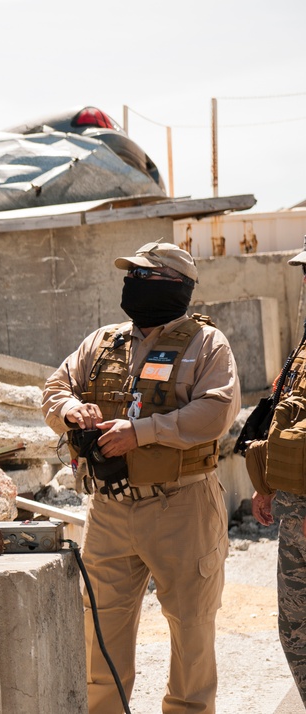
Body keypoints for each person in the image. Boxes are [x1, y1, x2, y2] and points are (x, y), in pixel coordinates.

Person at [41, 240, 241, 713]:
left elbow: (215, 413)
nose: (133, 285)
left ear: (178, 287)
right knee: (99, 633)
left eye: (145, 277)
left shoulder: (206, 344)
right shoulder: (103, 342)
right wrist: (73, 410)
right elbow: (55, 388)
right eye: (131, 275)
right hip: (109, 509)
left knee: (191, 629)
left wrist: (142, 432)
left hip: (182, 507)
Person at [246, 236, 306, 703]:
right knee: (297, 633)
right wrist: (265, 484)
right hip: (296, 510)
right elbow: (284, 413)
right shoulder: (304, 345)